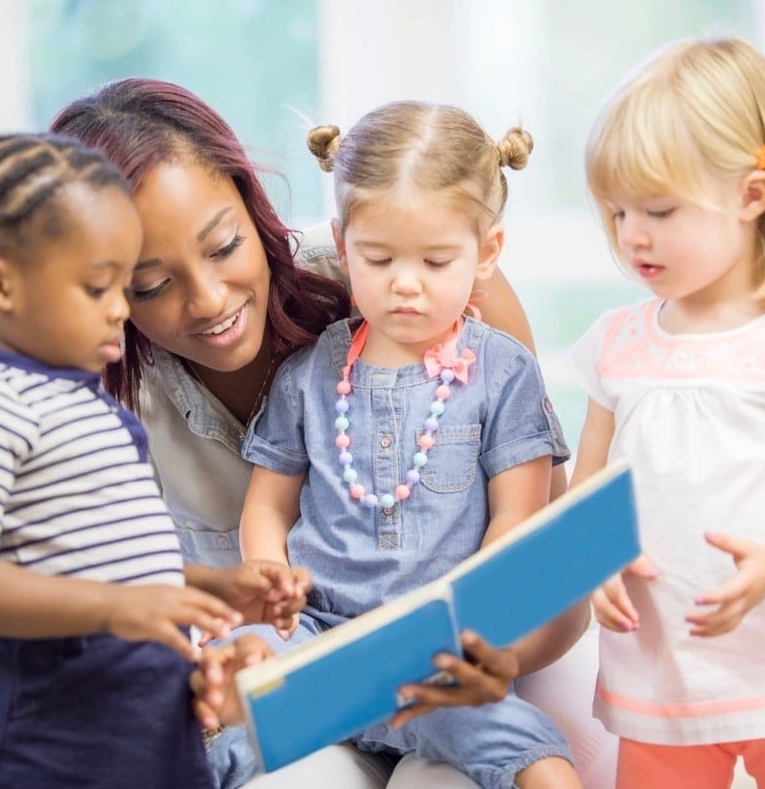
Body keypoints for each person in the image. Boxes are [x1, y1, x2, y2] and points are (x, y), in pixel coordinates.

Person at [50, 78, 613, 789]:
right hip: (314, 648)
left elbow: (542, 555)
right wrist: (251, 633)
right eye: (152, 285)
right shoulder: (197, 397)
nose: (209, 300)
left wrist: (476, 642)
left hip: (462, 655)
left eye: (224, 246)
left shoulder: (461, 321)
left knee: (497, 763)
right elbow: (246, 538)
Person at [0, 132, 299, 789]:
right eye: (100, 287)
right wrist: (117, 609)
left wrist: (210, 585)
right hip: (35, 750)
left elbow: (110, 562)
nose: (122, 309)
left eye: (126, 284)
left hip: (137, 741)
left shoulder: (88, 403)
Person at [222, 100, 583, 789]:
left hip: (433, 652)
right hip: (318, 639)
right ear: (341, 240)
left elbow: (519, 516)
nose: (405, 282)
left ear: (488, 253)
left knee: (536, 759)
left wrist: (483, 624)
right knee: (221, 706)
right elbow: (267, 506)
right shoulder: (308, 373)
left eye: (437, 259)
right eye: (378, 257)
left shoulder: (503, 372)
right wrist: (272, 587)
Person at [566, 37, 765, 789]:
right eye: (616, 211)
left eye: (658, 208)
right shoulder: (616, 345)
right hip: (661, 684)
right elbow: (585, 494)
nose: (631, 235)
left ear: (751, 195)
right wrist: (593, 558)